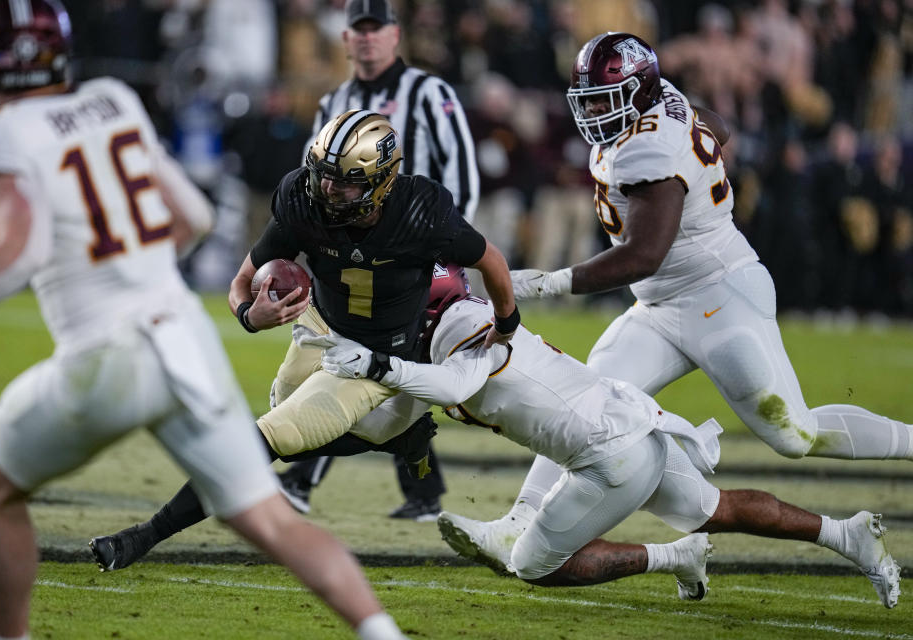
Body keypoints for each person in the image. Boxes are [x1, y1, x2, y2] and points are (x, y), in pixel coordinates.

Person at [0, 2, 409, 639]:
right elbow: (193, 217)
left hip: (105, 354)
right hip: (183, 342)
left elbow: (21, 247)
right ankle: (381, 632)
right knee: (274, 524)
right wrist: (130, 266)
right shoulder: (112, 98)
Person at [440, 31, 913, 566]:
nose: (594, 111)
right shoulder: (663, 102)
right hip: (660, 306)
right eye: (588, 99)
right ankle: (517, 523)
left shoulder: (648, 146)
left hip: (719, 294)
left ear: (638, 91)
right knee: (585, 400)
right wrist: (690, 137)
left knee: (793, 433)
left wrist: (550, 282)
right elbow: (722, 126)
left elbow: (644, 255)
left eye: (604, 98)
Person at [314, 267, 901, 608]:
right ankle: (845, 535)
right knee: (713, 508)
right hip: (629, 423)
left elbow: (450, 382)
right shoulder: (451, 331)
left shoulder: (466, 334)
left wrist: (373, 364)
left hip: (611, 457)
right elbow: (398, 417)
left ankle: (672, 555)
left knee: (534, 566)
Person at [87, 112, 515, 569]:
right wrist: (251, 315)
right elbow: (242, 281)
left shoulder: (419, 212)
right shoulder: (302, 200)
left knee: (268, 439)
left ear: (382, 182)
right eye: (324, 175)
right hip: (320, 326)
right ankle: (397, 437)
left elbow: (489, 257)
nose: (328, 190)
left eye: (345, 183)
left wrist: (507, 322)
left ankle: (142, 537)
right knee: (284, 414)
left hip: (375, 354)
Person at [278, 0, 481, 522]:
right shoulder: (334, 99)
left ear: (395, 35)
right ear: (345, 39)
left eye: (376, 28)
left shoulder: (429, 92)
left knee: (378, 364)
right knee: (370, 366)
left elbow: (461, 174)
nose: (367, 39)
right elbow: (314, 182)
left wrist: (445, 255)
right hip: (348, 254)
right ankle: (422, 489)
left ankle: (301, 479)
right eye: (358, 29)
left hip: (418, 256)